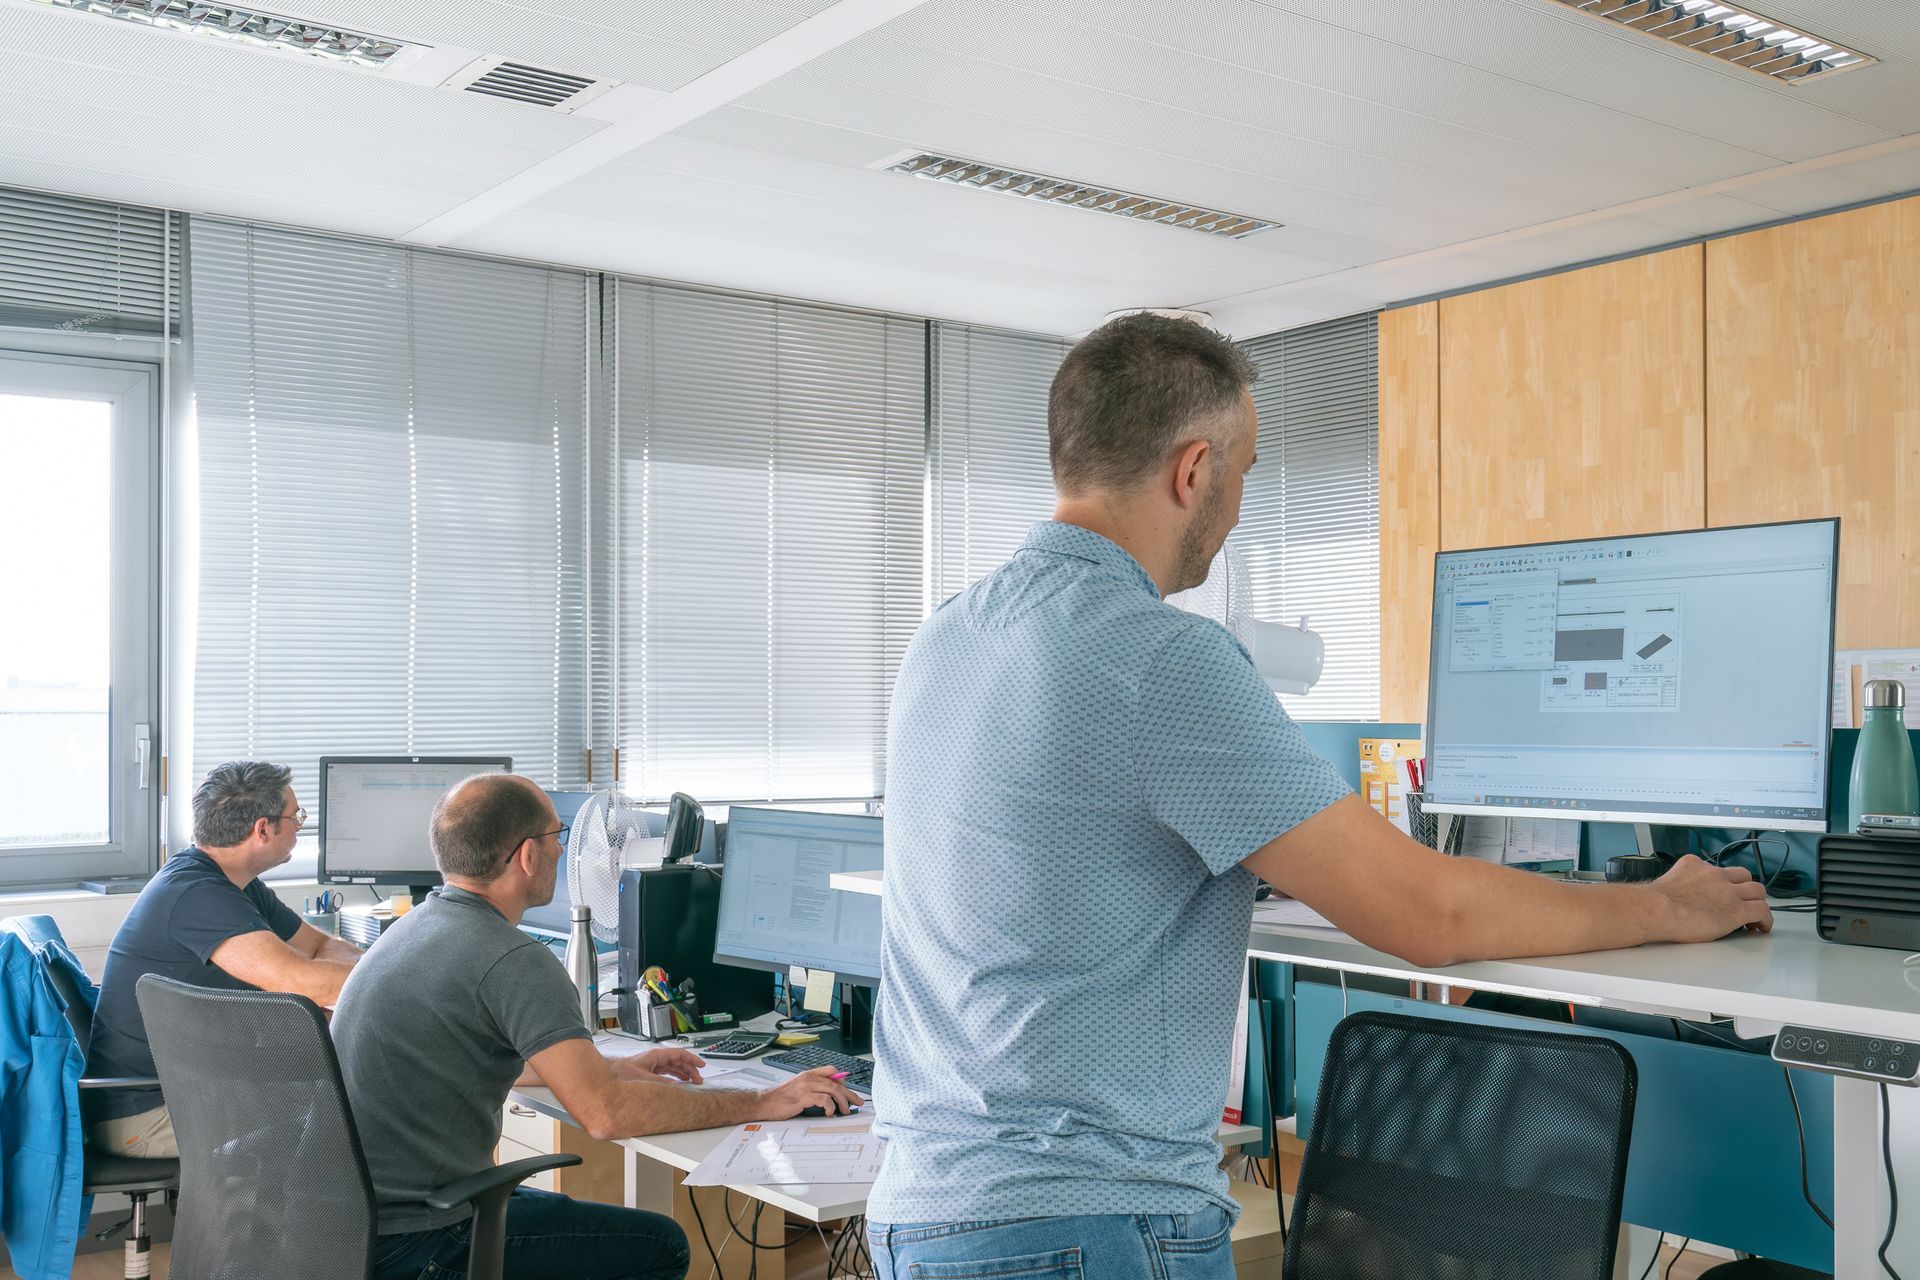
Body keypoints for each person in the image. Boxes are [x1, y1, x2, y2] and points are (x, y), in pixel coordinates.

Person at [866, 313, 1772, 1277]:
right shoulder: (1160, 656)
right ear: (1193, 470)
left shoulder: (947, 636)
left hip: (925, 1212)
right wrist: (1665, 905)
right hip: (1083, 1223)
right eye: (1245, 471)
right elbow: (1425, 914)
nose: (1239, 507)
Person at [331, 772, 859, 1280]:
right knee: (660, 1246)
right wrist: (765, 1102)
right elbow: (606, 1116)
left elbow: (468, 1060)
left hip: (347, 1230)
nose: (563, 850)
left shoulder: (413, 929)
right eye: (556, 835)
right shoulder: (511, 958)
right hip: (421, 1238)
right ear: (527, 854)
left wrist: (613, 1068)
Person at [88, 759, 364, 1159]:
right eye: (296, 817)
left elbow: (317, 946)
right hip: (146, 1117)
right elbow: (301, 981)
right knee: (348, 1104)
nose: (300, 826)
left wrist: (374, 969)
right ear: (263, 829)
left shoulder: (232, 882)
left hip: (190, 1086)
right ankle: (269, 1199)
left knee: (343, 1083)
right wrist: (393, 983)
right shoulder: (197, 894)